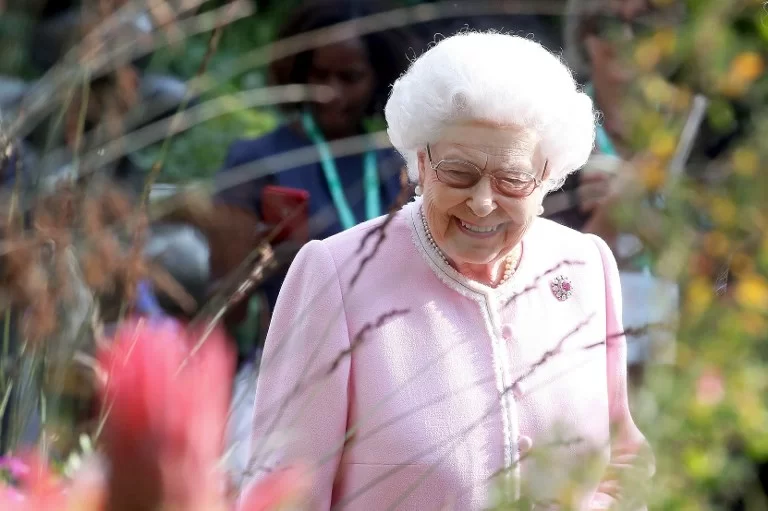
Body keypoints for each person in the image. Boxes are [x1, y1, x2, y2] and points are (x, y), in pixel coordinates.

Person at [247, 32, 651, 509]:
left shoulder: (585, 266)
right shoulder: (337, 273)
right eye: (458, 172)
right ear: (421, 159)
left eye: (513, 179)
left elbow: (620, 457)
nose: (482, 202)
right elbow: (283, 494)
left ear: (548, 177)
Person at [211, 0, 411, 315]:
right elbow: (223, 311)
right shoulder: (255, 161)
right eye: (319, 74)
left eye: (350, 77)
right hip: (296, 356)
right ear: (299, 73)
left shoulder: (400, 165)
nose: (330, 91)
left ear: (379, 78)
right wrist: (262, 264)